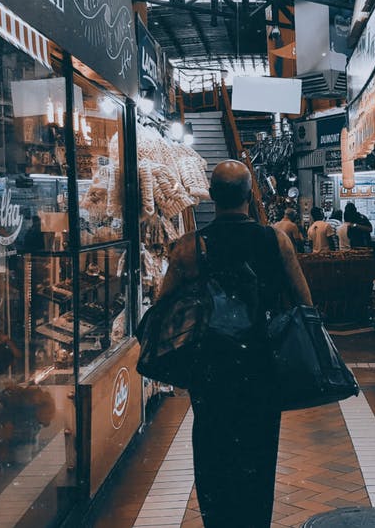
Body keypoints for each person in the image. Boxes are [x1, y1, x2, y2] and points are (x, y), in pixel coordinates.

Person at [157, 160, 312, 528]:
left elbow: (165, 309)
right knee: (258, 459)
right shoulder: (276, 241)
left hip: (210, 374)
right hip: (262, 369)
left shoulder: (189, 248)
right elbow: (305, 304)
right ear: (249, 195)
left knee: (213, 458)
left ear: (211, 196)